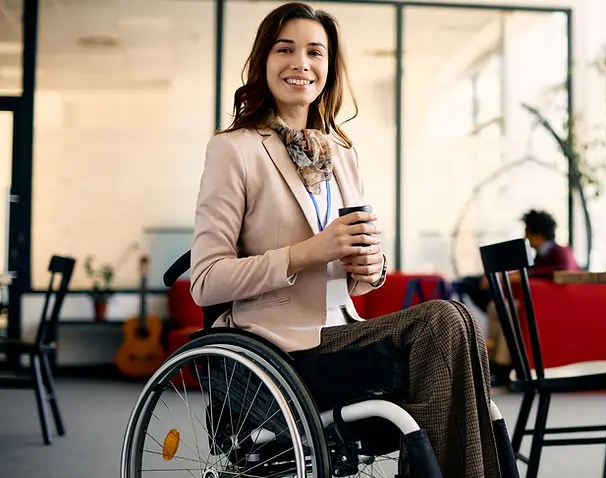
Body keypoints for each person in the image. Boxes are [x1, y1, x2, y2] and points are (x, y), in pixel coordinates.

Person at [188, 3, 509, 477]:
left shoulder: (341, 153)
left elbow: (354, 284)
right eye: (286, 49)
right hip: (277, 348)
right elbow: (205, 282)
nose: (301, 63)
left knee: (455, 321)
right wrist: (308, 252)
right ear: (264, 62)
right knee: (445, 318)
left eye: (315, 52)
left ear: (328, 67)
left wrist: (369, 267)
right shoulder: (234, 149)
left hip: (341, 330)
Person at [461, 209, 580, 385]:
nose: (525, 236)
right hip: (534, 303)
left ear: (538, 234)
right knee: (497, 306)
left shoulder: (561, 252)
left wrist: (521, 274)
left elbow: (562, 271)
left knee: (507, 308)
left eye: (528, 232)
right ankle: (493, 362)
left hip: (553, 308)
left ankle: (502, 365)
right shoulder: (541, 255)